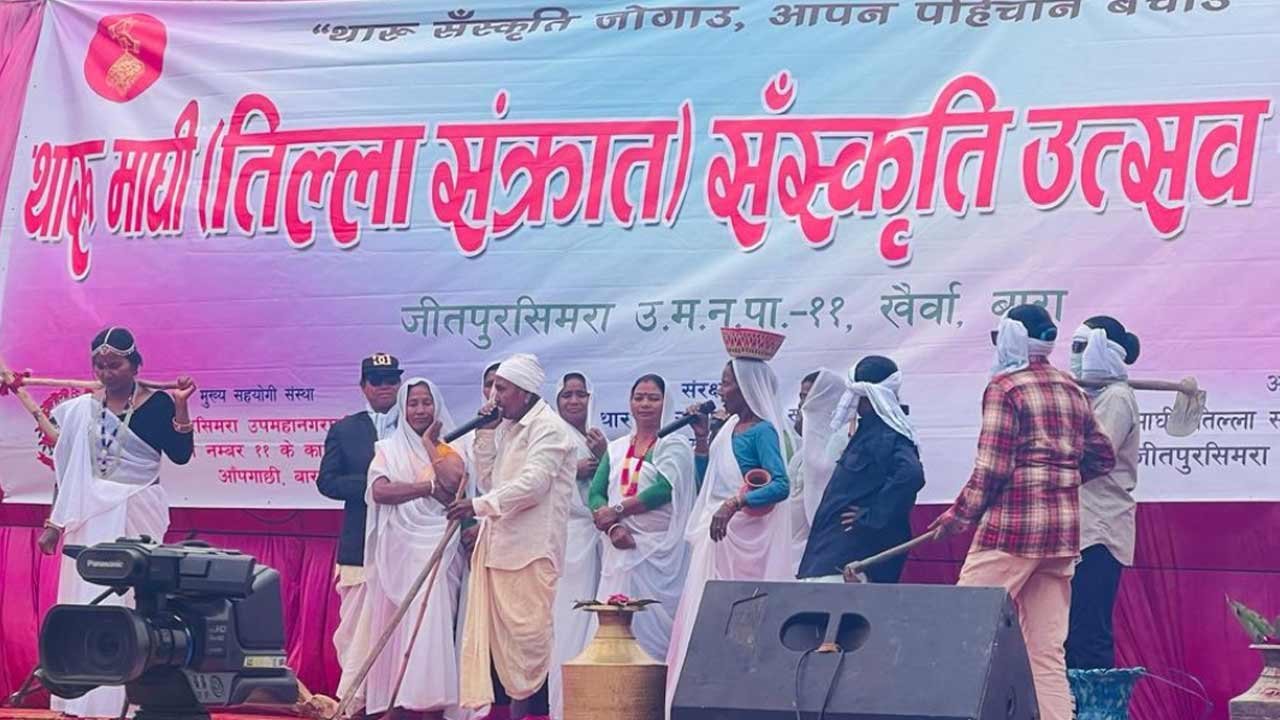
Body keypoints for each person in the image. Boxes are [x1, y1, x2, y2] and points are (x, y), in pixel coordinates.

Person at [930, 305, 1117, 720]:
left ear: (1012, 339)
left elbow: (992, 468)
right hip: (1061, 538)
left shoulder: (1005, 388)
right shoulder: (1071, 388)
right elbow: (1103, 456)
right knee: (1046, 654)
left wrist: (957, 518)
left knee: (961, 630)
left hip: (1012, 534)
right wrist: (1058, 478)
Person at [39, 327, 195, 718]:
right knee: (85, 599)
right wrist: (54, 525)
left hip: (136, 510)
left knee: (128, 599)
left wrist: (181, 407)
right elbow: (68, 472)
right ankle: (81, 697)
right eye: (100, 366)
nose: (107, 373)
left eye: (116, 365)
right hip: (88, 518)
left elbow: (181, 455)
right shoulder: (82, 409)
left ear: (135, 365)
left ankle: (125, 700)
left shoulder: (157, 403)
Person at [665, 330, 795, 712]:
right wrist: (702, 441)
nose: (720, 391)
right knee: (704, 621)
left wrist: (736, 503)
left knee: (739, 627)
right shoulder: (728, 429)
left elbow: (781, 485)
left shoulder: (762, 431)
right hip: (717, 539)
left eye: (726, 383)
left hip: (743, 548)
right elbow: (708, 486)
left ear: (746, 387)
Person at [448, 354, 578, 720]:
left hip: (531, 553)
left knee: (528, 646)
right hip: (500, 549)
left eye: (501, 389)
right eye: (492, 388)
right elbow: (492, 480)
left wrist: (478, 505)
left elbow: (533, 485)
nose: (494, 396)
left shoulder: (550, 429)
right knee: (505, 651)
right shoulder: (508, 426)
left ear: (524, 391)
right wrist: (486, 433)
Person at [361, 378, 466, 720]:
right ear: (402, 408)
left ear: (437, 406)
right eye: (413, 403)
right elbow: (380, 492)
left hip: (440, 548)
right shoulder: (387, 449)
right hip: (400, 550)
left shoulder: (451, 448)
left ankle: (431, 705)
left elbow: (453, 484)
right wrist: (426, 488)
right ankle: (397, 706)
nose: (420, 410)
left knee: (433, 625)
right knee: (400, 630)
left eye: (426, 402)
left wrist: (429, 444)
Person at [317, 353, 404, 714]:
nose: (384, 387)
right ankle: (355, 704)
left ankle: (395, 703)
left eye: (390, 379)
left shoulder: (417, 424)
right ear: (363, 386)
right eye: (376, 380)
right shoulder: (345, 429)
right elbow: (327, 482)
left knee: (397, 628)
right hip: (359, 544)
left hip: (405, 543)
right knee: (354, 631)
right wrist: (375, 486)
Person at [589, 374, 694, 661]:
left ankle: (657, 688)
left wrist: (618, 511)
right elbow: (596, 493)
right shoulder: (616, 448)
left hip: (660, 553)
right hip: (618, 548)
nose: (645, 404)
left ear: (666, 403)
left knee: (655, 630)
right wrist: (612, 527)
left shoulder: (675, 445)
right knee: (615, 626)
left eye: (653, 398)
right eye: (639, 398)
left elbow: (664, 489)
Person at [796, 356, 925, 583]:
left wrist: (872, 516)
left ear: (865, 394)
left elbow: (911, 475)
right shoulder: (868, 431)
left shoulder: (886, 434)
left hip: (851, 559)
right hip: (830, 555)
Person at [1065, 316, 1142, 670]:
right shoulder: (1086, 397)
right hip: (1075, 528)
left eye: (1081, 347)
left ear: (1100, 350)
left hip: (1099, 530)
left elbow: (1094, 456)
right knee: (1065, 632)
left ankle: (1095, 701)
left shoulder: (1117, 397)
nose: (1074, 355)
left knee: (1088, 633)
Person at [548, 371, 607, 719]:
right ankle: (563, 707)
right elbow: (532, 480)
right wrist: (572, 470)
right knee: (567, 621)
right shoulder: (550, 436)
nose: (574, 401)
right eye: (566, 395)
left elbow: (618, 483)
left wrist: (604, 455)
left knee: (597, 622)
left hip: (598, 537)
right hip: (565, 538)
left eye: (580, 394)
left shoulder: (598, 437)